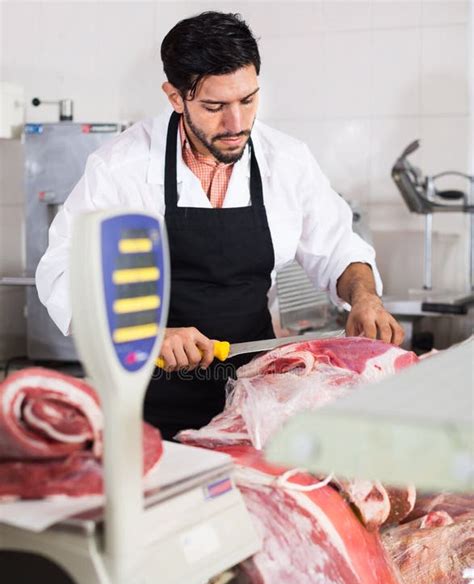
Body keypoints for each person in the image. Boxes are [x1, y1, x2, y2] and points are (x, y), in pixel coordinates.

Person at [36, 11, 404, 440]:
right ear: (175, 97)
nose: (237, 124)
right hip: (151, 402)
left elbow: (339, 247)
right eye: (215, 106)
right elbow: (63, 271)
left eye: (248, 100)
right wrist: (146, 334)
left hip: (258, 395)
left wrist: (365, 298)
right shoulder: (121, 167)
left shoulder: (286, 160)